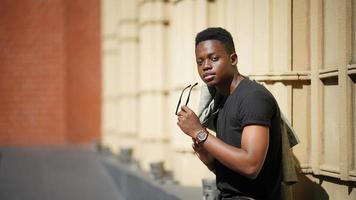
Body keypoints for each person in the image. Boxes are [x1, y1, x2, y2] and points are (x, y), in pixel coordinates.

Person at [176, 27, 282, 200]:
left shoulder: (252, 97)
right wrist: (210, 159)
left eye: (214, 58)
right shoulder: (220, 101)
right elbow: (233, 169)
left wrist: (200, 133)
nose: (206, 66)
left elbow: (251, 165)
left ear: (233, 59)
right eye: (200, 61)